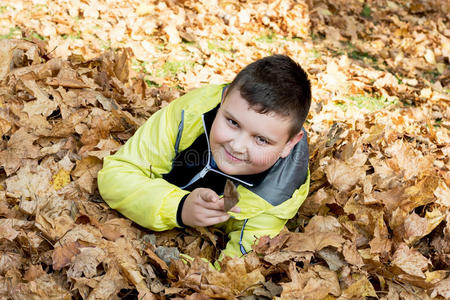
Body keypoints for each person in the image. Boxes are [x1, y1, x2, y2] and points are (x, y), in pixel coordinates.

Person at [97, 54, 311, 259]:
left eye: (261, 140)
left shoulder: (280, 191)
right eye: (233, 123)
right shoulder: (188, 114)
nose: (237, 146)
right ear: (224, 99)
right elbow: (116, 174)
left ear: (289, 144)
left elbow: (239, 265)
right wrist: (179, 207)